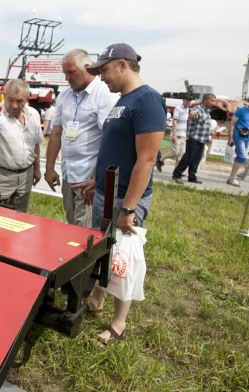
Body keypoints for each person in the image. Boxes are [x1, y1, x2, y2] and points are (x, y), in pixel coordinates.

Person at [75, 43, 166, 347]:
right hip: (105, 191)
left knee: (122, 259)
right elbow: (113, 148)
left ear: (123, 65)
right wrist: (95, 180)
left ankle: (118, 324)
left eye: (104, 70)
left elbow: (147, 160)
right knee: (106, 251)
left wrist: (129, 208)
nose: (101, 78)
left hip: (125, 197)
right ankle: (98, 297)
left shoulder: (148, 100)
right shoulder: (122, 101)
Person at [44, 48, 119, 227]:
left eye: (71, 72)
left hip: (88, 179)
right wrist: (49, 167)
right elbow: (56, 132)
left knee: (84, 234)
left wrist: (96, 178)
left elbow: (108, 139)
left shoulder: (104, 95)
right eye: (65, 73)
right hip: (69, 175)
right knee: (73, 226)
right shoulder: (64, 96)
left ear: (88, 66)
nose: (67, 78)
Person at [0, 78, 44, 213]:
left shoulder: (34, 114)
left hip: (26, 175)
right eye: (10, 100)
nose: (14, 105)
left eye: (19, 101)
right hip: (1, 176)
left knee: (19, 218)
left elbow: (35, 144)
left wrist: (36, 169)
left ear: (27, 98)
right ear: (4, 95)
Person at [171, 94, 217, 184]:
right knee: (188, 158)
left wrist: (208, 138)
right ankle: (177, 174)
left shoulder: (207, 112)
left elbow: (206, 126)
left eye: (214, 101)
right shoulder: (198, 108)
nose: (213, 103)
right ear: (205, 100)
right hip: (194, 138)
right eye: (211, 101)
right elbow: (192, 112)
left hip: (202, 139)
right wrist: (192, 114)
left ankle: (192, 176)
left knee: (196, 159)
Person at [162, 95, 191, 167]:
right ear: (183, 100)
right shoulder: (178, 109)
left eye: (189, 100)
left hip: (183, 134)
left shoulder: (187, 109)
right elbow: (175, 121)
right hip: (177, 133)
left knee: (181, 153)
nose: (188, 102)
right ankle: (160, 160)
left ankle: (176, 170)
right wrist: (174, 134)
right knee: (174, 152)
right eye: (187, 100)